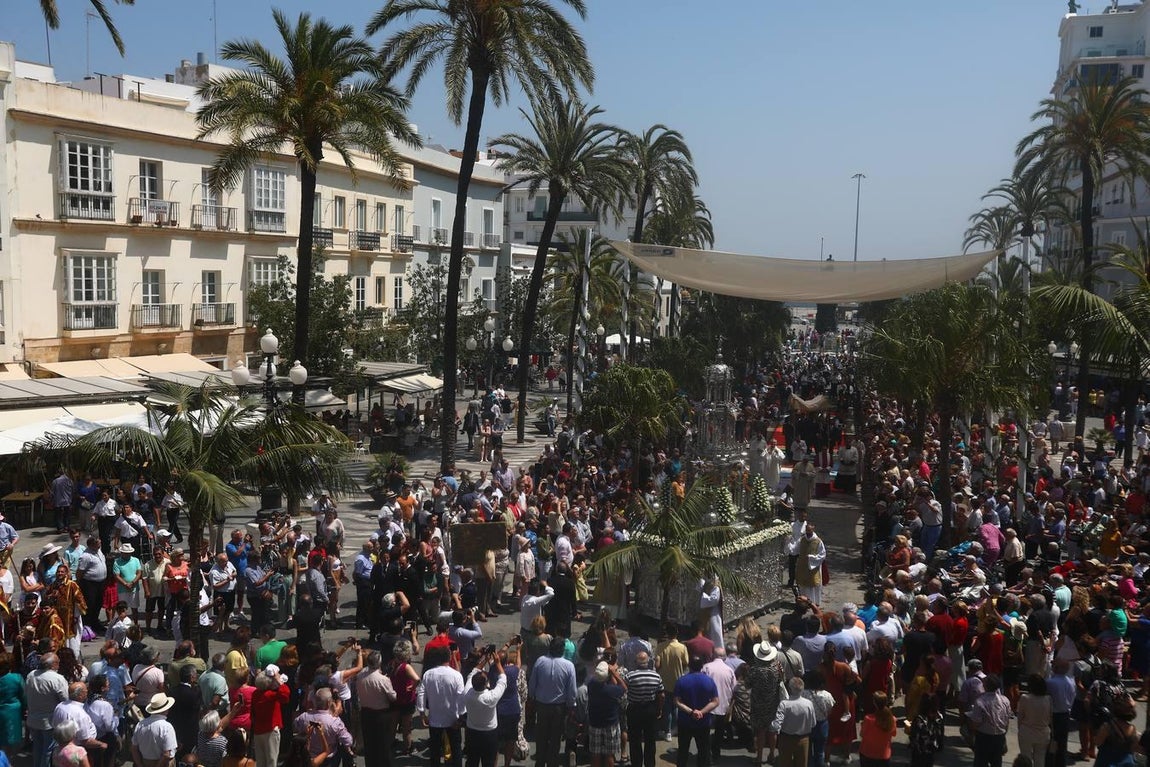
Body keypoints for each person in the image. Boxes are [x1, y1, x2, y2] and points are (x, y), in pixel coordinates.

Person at [529, 636, 578, 767]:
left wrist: (532, 697)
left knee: (541, 736)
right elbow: (572, 690)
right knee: (555, 738)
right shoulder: (569, 666)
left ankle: (540, 762)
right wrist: (571, 706)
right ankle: (552, 763)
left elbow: (533, 683)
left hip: (542, 705)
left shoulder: (540, 661)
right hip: (559, 708)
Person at [419, 644, 466, 767]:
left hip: (435, 720)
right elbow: (461, 698)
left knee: (434, 751)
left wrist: (422, 713)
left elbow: (421, 693)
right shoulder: (456, 675)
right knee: (456, 749)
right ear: (449, 657)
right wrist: (461, 718)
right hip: (452, 719)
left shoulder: (428, 674)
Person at [464, 647, 509, 767]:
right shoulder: (490, 697)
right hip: (489, 734)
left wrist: (484, 660)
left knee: (472, 761)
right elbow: (503, 679)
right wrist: (498, 663)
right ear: (486, 684)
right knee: (488, 762)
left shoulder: (467, 693)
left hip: (472, 732)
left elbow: (473, 672)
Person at [673, 654, 719, 767]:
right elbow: (715, 701)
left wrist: (691, 712)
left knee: (683, 751)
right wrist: (701, 712)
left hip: (685, 721)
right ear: (701, 666)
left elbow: (677, 701)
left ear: (689, 666)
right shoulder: (709, 681)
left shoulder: (681, 681)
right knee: (703, 751)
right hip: (703, 722)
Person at [26, 652, 68, 767]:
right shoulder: (57, 678)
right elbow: (66, 699)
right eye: (58, 663)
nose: (59, 665)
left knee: (37, 748)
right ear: (53, 664)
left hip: (33, 719)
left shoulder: (31, 675)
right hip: (49, 721)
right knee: (48, 751)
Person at [357, 652, 397, 767]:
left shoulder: (360, 675)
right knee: (383, 745)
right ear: (379, 663)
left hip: (365, 714)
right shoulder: (382, 680)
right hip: (381, 715)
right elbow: (393, 697)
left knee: (369, 745)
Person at [625, 650, 664, 767]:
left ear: (636, 662)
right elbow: (661, 695)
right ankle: (649, 764)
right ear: (648, 662)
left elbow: (624, 691)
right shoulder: (656, 676)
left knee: (635, 739)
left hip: (634, 709)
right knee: (650, 739)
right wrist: (660, 708)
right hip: (650, 709)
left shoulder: (630, 676)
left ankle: (636, 763)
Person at [586, 660, 625, 767]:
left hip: (595, 723)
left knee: (595, 754)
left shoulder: (591, 685)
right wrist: (614, 673)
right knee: (609, 755)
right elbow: (624, 688)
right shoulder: (611, 690)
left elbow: (595, 678)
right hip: (610, 724)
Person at [967, 675, 1012, 767]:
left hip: (984, 736)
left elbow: (975, 723)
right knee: (996, 762)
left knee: (980, 762)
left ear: (985, 686)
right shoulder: (1005, 700)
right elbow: (1007, 720)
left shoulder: (980, 701)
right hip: (999, 736)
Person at [771, 676, 816, 767]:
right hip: (803, 739)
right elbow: (813, 723)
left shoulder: (784, 704)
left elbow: (776, 725)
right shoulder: (808, 704)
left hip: (786, 739)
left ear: (790, 689)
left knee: (785, 763)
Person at [251, 666, 291, 767]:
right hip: (270, 730)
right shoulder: (271, 695)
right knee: (271, 760)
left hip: (258, 731)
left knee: (260, 761)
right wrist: (278, 680)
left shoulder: (256, 694)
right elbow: (285, 696)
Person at [131, 693, 178, 767]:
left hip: (145, 762)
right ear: (166, 709)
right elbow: (166, 754)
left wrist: (139, 764)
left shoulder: (140, 724)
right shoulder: (166, 727)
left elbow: (134, 749)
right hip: (163, 763)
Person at [1016, 675, 1052, 767]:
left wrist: (1020, 729)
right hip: (1043, 732)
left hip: (1027, 731)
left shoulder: (1025, 698)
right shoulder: (1048, 699)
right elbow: (1050, 717)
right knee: (1040, 759)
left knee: (1025, 759)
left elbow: (1020, 717)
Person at [858, 691, 897, 767]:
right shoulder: (892, 719)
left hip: (867, 754)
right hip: (883, 755)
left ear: (874, 703)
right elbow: (894, 734)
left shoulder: (868, 719)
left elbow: (862, 734)